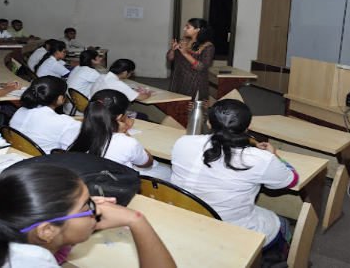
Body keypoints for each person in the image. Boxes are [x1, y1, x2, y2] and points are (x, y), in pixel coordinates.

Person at [0, 163, 176, 268]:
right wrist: (136, 220)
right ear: (46, 230)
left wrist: (79, 222)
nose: (97, 207)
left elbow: (47, 242)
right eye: (86, 205)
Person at [171, 99, 298, 254]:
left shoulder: (183, 142)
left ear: (209, 123)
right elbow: (292, 180)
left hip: (182, 217)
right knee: (282, 223)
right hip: (228, 229)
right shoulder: (261, 159)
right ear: (248, 127)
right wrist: (274, 156)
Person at [68, 89, 171, 181]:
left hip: (84, 179)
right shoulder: (126, 142)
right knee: (170, 174)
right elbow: (147, 164)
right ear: (120, 116)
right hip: (117, 183)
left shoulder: (69, 130)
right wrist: (125, 134)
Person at [9, 76, 81, 154]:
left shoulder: (20, 111)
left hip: (18, 156)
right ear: (60, 99)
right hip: (43, 163)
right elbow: (74, 152)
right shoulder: (65, 123)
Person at [167, 18, 215, 100]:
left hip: (193, 83)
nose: (184, 29)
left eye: (187, 27)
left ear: (197, 29)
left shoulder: (207, 46)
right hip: (178, 79)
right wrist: (172, 50)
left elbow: (202, 67)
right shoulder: (184, 40)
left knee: (190, 110)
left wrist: (185, 53)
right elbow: (170, 59)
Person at [90, 58, 156, 102]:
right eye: (131, 72)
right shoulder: (117, 84)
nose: (131, 74)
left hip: (94, 107)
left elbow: (114, 90)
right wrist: (150, 93)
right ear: (125, 72)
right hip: (106, 112)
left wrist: (133, 90)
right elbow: (141, 97)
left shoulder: (102, 77)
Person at [64, 49, 102, 114]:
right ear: (92, 60)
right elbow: (105, 82)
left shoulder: (78, 68)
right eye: (98, 57)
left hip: (69, 106)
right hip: (79, 107)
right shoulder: (90, 72)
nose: (101, 58)